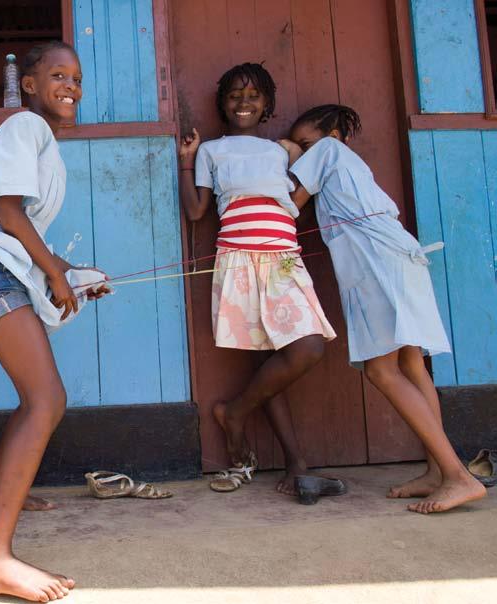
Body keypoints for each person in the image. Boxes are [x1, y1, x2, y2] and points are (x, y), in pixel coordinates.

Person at [0, 41, 108, 601]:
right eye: (57, 74)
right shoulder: (24, 126)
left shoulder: (39, 140)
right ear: (32, 85)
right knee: (47, 400)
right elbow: (7, 214)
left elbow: (21, 234)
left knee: (33, 397)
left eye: (78, 77)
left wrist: (71, 273)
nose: (71, 85)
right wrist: (56, 275)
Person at [283, 103, 486, 514]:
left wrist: (287, 153)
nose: (304, 153)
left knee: (382, 369)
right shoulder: (350, 167)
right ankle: (438, 470)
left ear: (334, 135)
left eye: (307, 143)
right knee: (410, 364)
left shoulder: (327, 153)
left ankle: (458, 476)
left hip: (376, 262)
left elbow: (290, 204)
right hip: (399, 256)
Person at [178, 63, 336, 494]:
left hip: (284, 259)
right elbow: (196, 211)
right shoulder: (212, 150)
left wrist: (299, 154)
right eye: (234, 94)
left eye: (253, 95)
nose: (243, 102)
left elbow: (298, 199)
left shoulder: (280, 152)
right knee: (269, 362)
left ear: (267, 105)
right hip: (239, 261)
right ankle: (297, 463)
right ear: (222, 104)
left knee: (306, 348)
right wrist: (188, 162)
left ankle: (233, 413)